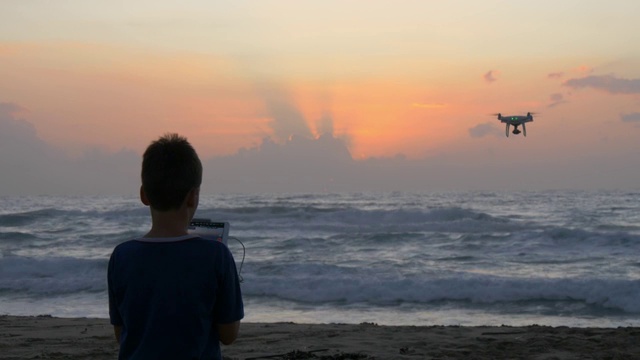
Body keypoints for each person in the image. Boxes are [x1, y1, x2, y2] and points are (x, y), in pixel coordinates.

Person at [108, 133, 244, 360]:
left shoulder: (122, 256)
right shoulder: (216, 256)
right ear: (193, 197)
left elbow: (121, 333)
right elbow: (229, 334)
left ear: (144, 195)